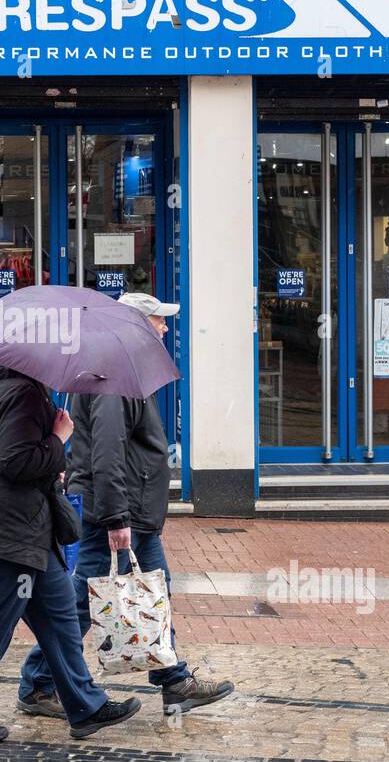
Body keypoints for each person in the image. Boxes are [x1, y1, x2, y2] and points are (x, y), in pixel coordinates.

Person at [17, 292, 235, 720]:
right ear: (135, 324)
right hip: (114, 514)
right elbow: (107, 450)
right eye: (158, 321)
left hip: (124, 512)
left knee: (150, 592)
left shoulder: (118, 369)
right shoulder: (113, 374)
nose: (166, 328)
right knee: (83, 602)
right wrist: (118, 518)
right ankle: (39, 685)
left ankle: (173, 682)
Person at [0, 363, 142, 742]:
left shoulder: (12, 386)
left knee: (60, 615)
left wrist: (51, 452)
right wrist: (59, 439)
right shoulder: (21, 393)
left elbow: (16, 456)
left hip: (23, 528)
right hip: (4, 531)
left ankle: (85, 706)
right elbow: (16, 462)